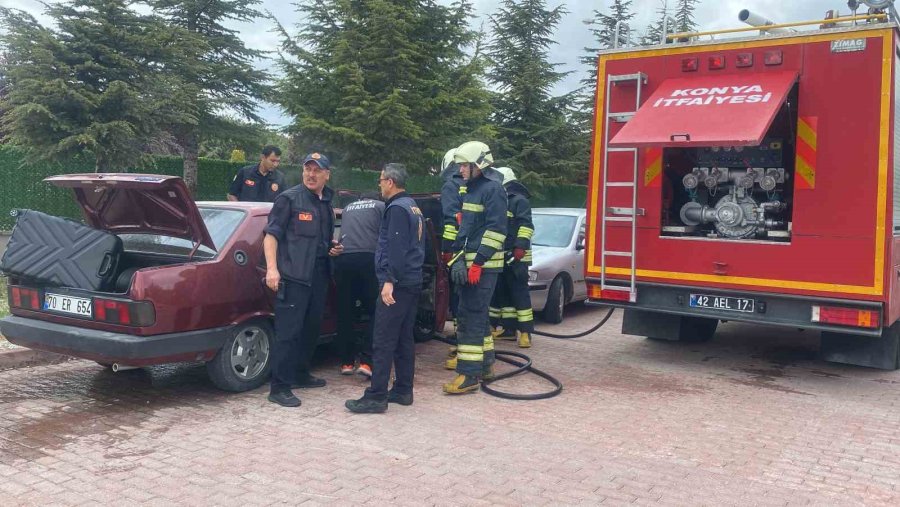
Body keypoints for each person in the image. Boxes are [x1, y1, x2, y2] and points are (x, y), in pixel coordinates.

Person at [263, 152, 343, 407]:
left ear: (326, 174)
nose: (311, 174)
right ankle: (279, 387)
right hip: (294, 277)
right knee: (288, 333)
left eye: (316, 170)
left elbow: (317, 239)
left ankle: (299, 374)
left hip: (318, 276)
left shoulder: (326, 202)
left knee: (310, 330)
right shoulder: (289, 199)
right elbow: (271, 236)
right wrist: (272, 269)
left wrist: (332, 246)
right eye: (307, 169)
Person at [345, 164, 425, 413]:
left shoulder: (397, 209)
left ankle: (376, 396)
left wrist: (389, 280)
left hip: (397, 284)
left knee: (383, 339)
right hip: (411, 281)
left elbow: (396, 248)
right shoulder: (412, 206)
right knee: (403, 339)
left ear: (390, 182)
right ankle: (402, 390)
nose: (379, 184)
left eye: (380, 180)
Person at [444, 141, 507, 394]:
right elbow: (465, 231)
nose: (460, 169)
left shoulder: (492, 190)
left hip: (484, 267)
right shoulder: (472, 190)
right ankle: (486, 366)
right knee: (477, 316)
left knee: (470, 317)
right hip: (472, 264)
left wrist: (478, 262)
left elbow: (497, 230)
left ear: (477, 164)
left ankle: (468, 375)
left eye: (463, 165)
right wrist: (458, 258)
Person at [334, 191, 384, 377]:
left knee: (345, 312)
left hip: (344, 259)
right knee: (375, 310)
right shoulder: (381, 207)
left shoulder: (347, 208)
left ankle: (346, 363)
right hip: (368, 258)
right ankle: (366, 361)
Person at [488, 167, 535, 348]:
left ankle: (525, 333)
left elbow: (526, 226)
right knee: (502, 293)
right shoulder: (500, 200)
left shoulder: (519, 201)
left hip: (517, 258)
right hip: (501, 254)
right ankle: (508, 330)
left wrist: (519, 247)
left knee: (519, 293)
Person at [439, 148, 466, 370]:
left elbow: (451, 221)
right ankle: (468, 347)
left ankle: (463, 349)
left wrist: (448, 250)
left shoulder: (451, 185)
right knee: (475, 303)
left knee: (461, 300)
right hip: (477, 251)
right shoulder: (479, 184)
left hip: (460, 252)